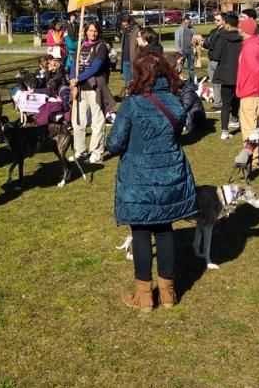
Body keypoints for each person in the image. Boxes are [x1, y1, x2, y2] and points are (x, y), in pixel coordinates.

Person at [107, 51, 198, 311]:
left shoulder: (132, 104)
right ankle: (168, 292)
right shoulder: (174, 102)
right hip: (169, 172)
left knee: (141, 232)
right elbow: (177, 129)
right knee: (165, 230)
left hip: (139, 175)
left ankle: (144, 295)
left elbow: (114, 143)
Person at [69, 20, 108, 164]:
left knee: (97, 122)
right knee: (77, 121)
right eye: (90, 30)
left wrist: (78, 79)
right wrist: (73, 82)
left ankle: (97, 152)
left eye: (95, 31)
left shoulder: (101, 47)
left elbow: (95, 68)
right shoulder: (81, 46)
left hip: (94, 88)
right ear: (85, 31)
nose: (93, 33)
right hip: (80, 89)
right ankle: (80, 150)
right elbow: (74, 65)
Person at [236, 16, 259, 166]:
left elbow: (257, 71)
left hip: (250, 91)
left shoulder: (250, 47)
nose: (238, 29)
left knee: (249, 126)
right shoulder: (258, 45)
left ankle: (251, 158)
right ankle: (257, 154)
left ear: (245, 30)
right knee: (256, 125)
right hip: (255, 91)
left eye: (240, 27)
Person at [210, 13, 242, 139]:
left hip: (225, 73)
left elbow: (215, 56)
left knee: (226, 103)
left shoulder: (222, 37)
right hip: (239, 73)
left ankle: (224, 130)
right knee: (236, 99)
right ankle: (234, 118)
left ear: (227, 25)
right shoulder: (242, 38)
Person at [202, 11, 225, 113]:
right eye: (215, 19)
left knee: (220, 83)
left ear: (224, 21)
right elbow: (206, 44)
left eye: (218, 20)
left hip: (219, 61)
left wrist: (209, 44)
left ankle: (220, 103)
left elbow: (216, 45)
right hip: (211, 59)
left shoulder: (225, 33)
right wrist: (207, 43)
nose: (215, 21)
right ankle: (217, 103)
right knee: (214, 83)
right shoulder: (213, 31)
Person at [174, 16, 196, 82]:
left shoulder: (192, 29)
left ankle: (191, 81)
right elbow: (177, 41)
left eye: (189, 23)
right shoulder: (178, 30)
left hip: (190, 51)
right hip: (182, 51)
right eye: (186, 23)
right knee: (179, 67)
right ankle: (178, 81)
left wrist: (194, 45)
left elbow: (193, 38)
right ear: (183, 21)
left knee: (191, 67)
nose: (187, 24)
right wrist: (179, 51)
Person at [118, 16, 139, 85]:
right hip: (125, 60)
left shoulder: (137, 31)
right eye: (123, 25)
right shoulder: (124, 31)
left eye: (126, 25)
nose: (125, 27)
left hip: (134, 60)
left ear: (131, 23)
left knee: (135, 82)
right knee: (127, 82)